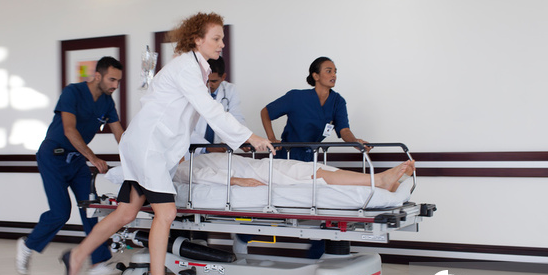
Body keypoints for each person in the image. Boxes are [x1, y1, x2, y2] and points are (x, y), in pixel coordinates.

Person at [60, 12, 274, 275]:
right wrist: (250, 137)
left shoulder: (196, 69)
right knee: (167, 211)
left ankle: (77, 256)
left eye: (223, 38)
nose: (222, 44)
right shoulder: (187, 67)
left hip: (150, 147)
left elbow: (185, 117)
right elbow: (209, 109)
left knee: (126, 212)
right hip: (148, 148)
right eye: (216, 38)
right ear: (197, 40)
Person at [16, 56, 124, 275]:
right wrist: (93, 158)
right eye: (112, 79)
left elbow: (120, 134)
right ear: (98, 76)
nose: (115, 86)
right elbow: (69, 130)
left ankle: (98, 263)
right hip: (52, 157)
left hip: (76, 160)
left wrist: (134, 160)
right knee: (60, 212)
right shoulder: (72, 92)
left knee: (90, 208)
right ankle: (28, 244)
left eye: (118, 81)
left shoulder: (107, 102)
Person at [261, 56, 368, 162]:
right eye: (328, 71)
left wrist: (355, 142)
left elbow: (344, 130)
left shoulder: (338, 102)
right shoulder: (296, 97)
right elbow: (266, 112)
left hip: (311, 156)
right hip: (287, 155)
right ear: (316, 76)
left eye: (335, 72)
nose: (334, 75)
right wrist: (271, 138)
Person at [173, 152, 414, 191]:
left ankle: (378, 181)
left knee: (320, 171)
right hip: (262, 174)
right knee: (317, 175)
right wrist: (238, 181)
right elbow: (199, 177)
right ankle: (379, 180)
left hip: (263, 167)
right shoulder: (180, 169)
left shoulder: (194, 157)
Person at [189, 56, 245, 153]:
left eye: (214, 81)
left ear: (223, 77)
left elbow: (237, 119)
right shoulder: (193, 90)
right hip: (194, 149)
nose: (209, 85)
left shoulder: (230, 90)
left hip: (221, 150)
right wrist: (207, 147)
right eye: (207, 80)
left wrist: (240, 139)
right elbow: (185, 127)